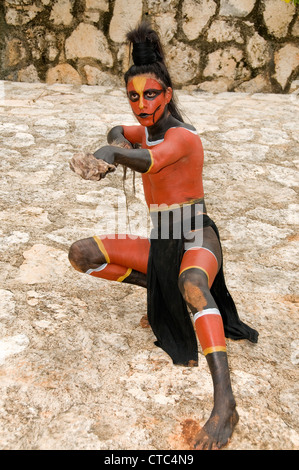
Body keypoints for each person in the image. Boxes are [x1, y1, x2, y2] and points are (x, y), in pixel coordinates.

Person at [68, 22, 258, 450]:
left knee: (192, 284)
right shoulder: (145, 128)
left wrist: (111, 155)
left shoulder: (182, 138)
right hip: (163, 244)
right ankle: (161, 290)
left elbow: (152, 159)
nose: (141, 105)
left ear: (168, 94)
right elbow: (121, 130)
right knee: (82, 255)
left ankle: (225, 403)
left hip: (196, 237)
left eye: (150, 95)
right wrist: (114, 141)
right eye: (133, 96)